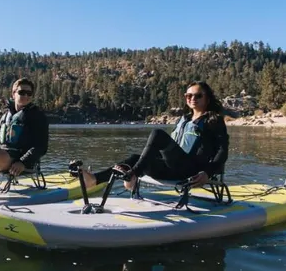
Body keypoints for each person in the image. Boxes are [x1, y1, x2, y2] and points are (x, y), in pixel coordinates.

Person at [81, 81, 229, 190]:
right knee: (134, 158)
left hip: (191, 171)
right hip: (172, 168)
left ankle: (133, 174)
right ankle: (95, 179)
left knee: (158, 134)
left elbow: (222, 151)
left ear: (207, 98)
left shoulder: (213, 121)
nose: (192, 98)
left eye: (198, 95)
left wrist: (208, 173)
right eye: (189, 95)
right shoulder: (184, 119)